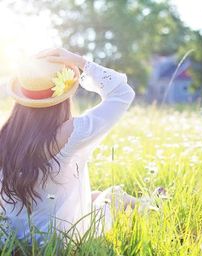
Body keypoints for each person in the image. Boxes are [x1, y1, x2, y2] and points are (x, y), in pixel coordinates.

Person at [0, 48, 144, 245]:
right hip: (61, 240)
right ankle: (156, 207)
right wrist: (80, 61)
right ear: (63, 96)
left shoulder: (5, 135)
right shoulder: (70, 132)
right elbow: (122, 93)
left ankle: (152, 202)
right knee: (114, 195)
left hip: (14, 238)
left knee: (93, 196)